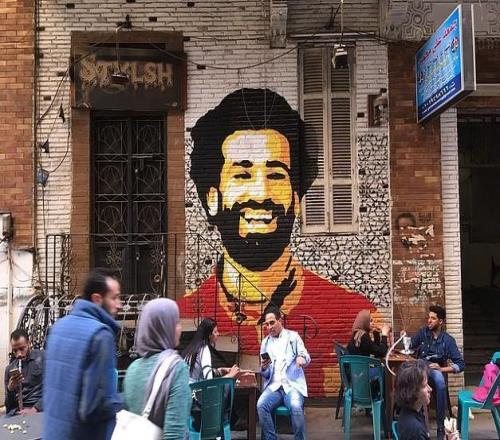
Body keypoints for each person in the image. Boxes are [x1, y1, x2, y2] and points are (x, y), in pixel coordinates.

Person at [177, 88, 376, 396]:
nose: (261, 193)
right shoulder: (188, 310)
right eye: (242, 175)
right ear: (212, 198)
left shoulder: (355, 308)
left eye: (276, 175)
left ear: (296, 198)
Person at [42, 268, 123, 440]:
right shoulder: (100, 335)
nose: (119, 305)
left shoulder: (58, 327)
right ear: (97, 299)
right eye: (114, 298)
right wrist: (122, 403)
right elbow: (94, 406)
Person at [123, 298, 191, 440]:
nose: (180, 328)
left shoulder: (132, 369)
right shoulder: (176, 368)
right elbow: (174, 435)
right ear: (165, 327)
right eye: (176, 322)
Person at [408, 305, 465, 440]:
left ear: (440, 322)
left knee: (439, 380)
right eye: (429, 317)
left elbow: (461, 364)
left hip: (435, 371)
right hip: (420, 367)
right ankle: (414, 423)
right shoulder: (423, 333)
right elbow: (409, 347)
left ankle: (441, 428)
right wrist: (404, 340)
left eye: (433, 318)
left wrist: (442, 369)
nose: (429, 320)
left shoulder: (448, 340)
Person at [257, 307, 310, 440]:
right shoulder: (265, 343)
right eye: (267, 324)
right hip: (274, 387)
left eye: (272, 323)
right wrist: (264, 368)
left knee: (296, 406)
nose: (269, 327)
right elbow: (266, 374)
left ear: (280, 321)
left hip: (291, 386)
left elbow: (306, 356)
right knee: (261, 405)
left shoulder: (293, 337)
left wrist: (301, 359)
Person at [181, 317, 240, 382]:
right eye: (215, 332)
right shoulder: (204, 349)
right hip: (194, 387)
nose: (218, 334)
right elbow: (209, 381)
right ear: (209, 335)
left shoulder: (193, 348)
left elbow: (198, 371)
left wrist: (219, 371)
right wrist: (230, 375)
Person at [3, 329, 44, 416]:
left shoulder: (43, 358)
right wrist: (10, 389)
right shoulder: (9, 369)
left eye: (22, 349)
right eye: (15, 351)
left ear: (29, 343)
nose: (19, 354)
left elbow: (55, 389)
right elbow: (9, 407)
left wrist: (35, 408)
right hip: (18, 413)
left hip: (40, 410)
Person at [394, 360, 432, 440]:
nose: (430, 389)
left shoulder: (407, 412)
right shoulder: (415, 431)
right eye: (425, 386)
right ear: (413, 391)